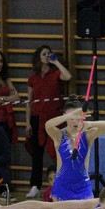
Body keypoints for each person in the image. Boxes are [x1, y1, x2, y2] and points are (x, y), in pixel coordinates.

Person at [25, 46, 72, 198]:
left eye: (48, 54)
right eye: (44, 54)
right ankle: (35, 185)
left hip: (54, 118)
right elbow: (29, 101)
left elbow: (68, 76)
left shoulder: (56, 73)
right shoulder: (33, 78)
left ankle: (62, 182)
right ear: (38, 57)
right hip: (37, 118)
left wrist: (56, 62)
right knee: (37, 154)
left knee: (57, 151)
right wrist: (28, 122)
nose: (46, 56)